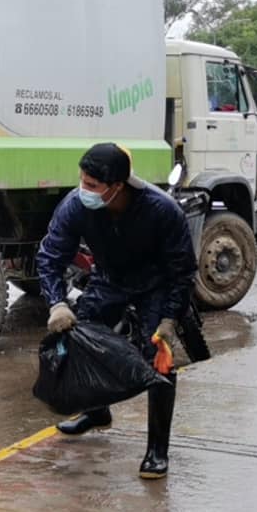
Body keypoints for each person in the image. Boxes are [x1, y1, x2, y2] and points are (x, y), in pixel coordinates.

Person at [35, 142, 197, 479]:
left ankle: (156, 450)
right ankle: (97, 412)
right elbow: (50, 257)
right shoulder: (75, 207)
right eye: (82, 181)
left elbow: (182, 271)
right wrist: (57, 303)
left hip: (155, 283)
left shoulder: (162, 210)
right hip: (109, 279)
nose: (84, 190)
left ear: (118, 187)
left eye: (92, 186)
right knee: (81, 334)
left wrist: (169, 318)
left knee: (159, 356)